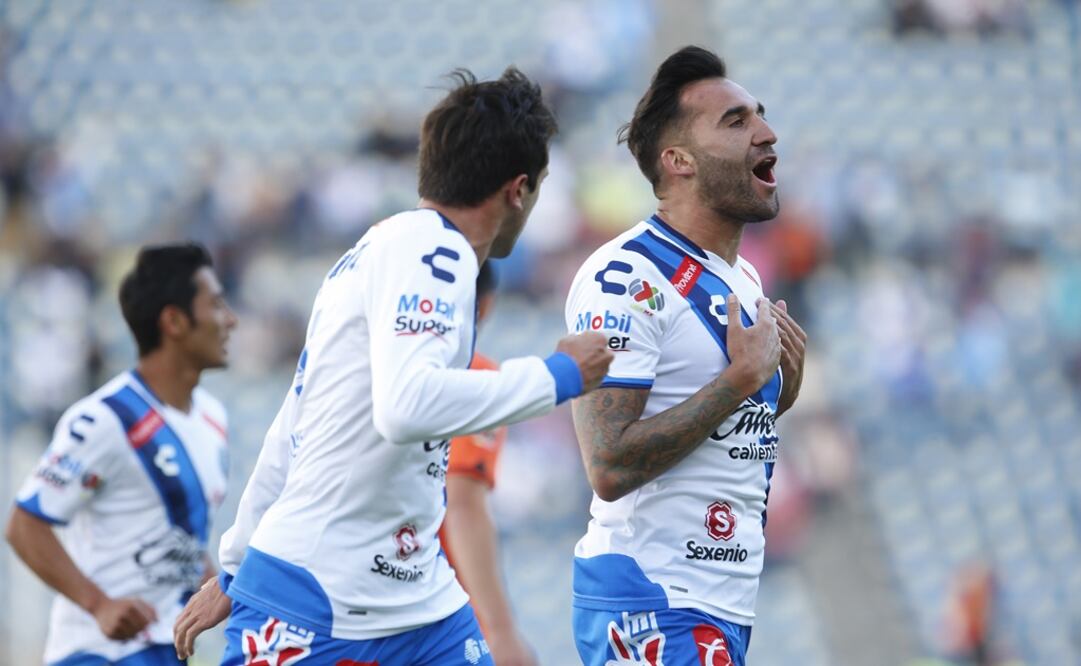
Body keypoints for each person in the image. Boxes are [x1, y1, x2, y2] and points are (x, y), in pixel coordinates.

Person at [172, 67, 613, 666]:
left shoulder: (377, 253)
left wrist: (233, 565)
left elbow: (294, 425)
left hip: (417, 602)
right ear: (519, 189)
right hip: (316, 594)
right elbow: (407, 407)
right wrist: (558, 375)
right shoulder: (436, 253)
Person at [564, 46, 808, 666]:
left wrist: (776, 394)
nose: (766, 132)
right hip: (652, 598)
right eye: (736, 121)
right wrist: (740, 381)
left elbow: (712, 428)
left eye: (759, 114)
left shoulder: (743, 278)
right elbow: (608, 464)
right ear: (679, 161)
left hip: (719, 603)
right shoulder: (627, 278)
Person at [6, 243, 236, 666]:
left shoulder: (213, 418)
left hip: (167, 650)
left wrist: (214, 585)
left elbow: (177, 537)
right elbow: (25, 524)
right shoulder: (106, 418)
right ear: (174, 321)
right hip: (100, 653)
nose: (231, 320)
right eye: (217, 305)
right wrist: (99, 604)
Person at [438, 262, 535, 666]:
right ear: (486, 305)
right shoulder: (473, 374)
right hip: (428, 610)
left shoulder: (364, 364)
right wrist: (500, 631)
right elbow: (461, 503)